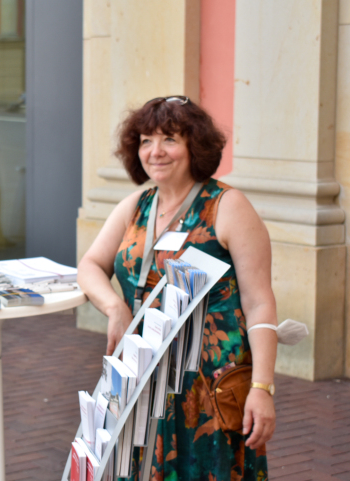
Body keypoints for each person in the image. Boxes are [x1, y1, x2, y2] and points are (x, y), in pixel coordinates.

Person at [77, 96, 277, 480]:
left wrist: (262, 388)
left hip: (209, 388)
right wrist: (115, 307)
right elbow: (89, 266)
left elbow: (259, 304)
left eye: (169, 139)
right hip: (142, 381)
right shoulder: (136, 205)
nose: (155, 151)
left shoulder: (227, 206)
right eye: (146, 140)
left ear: (194, 146)